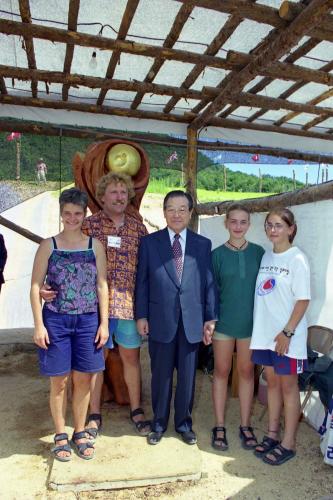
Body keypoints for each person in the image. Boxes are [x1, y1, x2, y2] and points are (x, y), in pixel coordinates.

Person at [41, 172, 150, 438]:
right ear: (101, 197)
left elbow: (146, 269)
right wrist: (46, 287)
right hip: (92, 308)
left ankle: (137, 409)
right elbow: (63, 259)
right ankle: (94, 414)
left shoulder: (138, 227)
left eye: (123, 192)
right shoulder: (88, 226)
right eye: (113, 192)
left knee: (131, 358)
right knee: (94, 363)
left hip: (128, 305)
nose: (119, 197)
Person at [30, 188, 109, 461]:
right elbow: (35, 286)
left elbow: (102, 286)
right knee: (60, 381)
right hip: (56, 320)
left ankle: (80, 431)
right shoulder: (48, 245)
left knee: (84, 379)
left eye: (77, 213)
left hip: (88, 321)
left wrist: (104, 323)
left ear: (85, 214)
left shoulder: (94, 246)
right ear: (61, 213)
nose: (72, 218)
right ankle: (60, 433)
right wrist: (39, 325)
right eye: (67, 213)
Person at [135, 190, 217, 445]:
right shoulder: (150, 243)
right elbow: (142, 283)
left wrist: (210, 318)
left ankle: (184, 424)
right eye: (171, 208)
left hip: (192, 321)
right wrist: (141, 316)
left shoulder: (202, 245)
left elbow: (209, 284)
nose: (177, 214)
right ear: (164, 212)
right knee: (160, 375)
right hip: (160, 319)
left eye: (183, 209)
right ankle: (158, 424)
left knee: (188, 377)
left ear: (191, 213)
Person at [250, 208, 311, 465]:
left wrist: (287, 332)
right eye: (269, 225)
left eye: (279, 225)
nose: (273, 230)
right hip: (266, 335)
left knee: (288, 388)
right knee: (271, 384)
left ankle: (289, 442)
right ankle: (272, 434)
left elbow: (303, 300)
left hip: (287, 337)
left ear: (291, 229)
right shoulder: (266, 256)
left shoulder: (297, 259)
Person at [211, 204, 264, 451]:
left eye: (243, 222)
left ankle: (245, 425)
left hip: (251, 325)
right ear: (226, 224)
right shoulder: (217, 255)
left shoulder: (259, 253)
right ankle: (219, 424)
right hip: (224, 322)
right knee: (221, 371)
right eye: (234, 221)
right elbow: (211, 292)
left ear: (249, 225)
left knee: (246, 372)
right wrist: (209, 321)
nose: (238, 226)